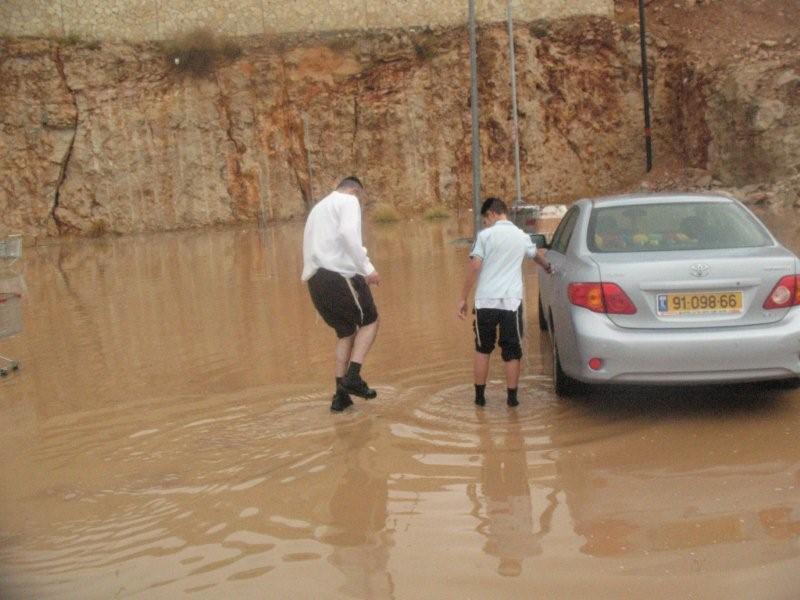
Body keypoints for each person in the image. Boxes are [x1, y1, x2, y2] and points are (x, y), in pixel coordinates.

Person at [458, 197, 553, 407]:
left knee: (483, 349)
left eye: (485, 220)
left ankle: (479, 400)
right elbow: (536, 256)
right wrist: (548, 267)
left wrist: (463, 298)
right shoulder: (521, 236)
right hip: (511, 303)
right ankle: (512, 400)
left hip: (485, 303)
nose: (486, 225)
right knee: (512, 351)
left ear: (492, 213)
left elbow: (474, 266)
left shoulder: (484, 237)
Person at [302, 177, 380, 412]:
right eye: (360, 198)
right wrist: (368, 269)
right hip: (337, 275)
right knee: (371, 321)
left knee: (346, 331)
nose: (359, 204)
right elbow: (349, 235)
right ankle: (353, 377)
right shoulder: (348, 200)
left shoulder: (318, 209)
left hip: (315, 280)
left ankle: (341, 395)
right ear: (354, 190)